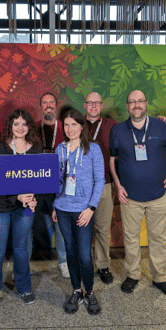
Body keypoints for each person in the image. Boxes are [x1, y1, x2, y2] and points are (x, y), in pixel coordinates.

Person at [109, 90, 166, 298]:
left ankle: (160, 277)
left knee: (157, 239)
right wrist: (118, 186)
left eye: (140, 101)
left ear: (146, 104)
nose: (136, 105)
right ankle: (133, 275)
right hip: (130, 198)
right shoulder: (118, 130)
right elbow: (112, 161)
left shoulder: (162, 126)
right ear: (127, 106)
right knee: (131, 238)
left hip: (158, 197)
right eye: (132, 101)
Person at [0, 109, 42, 315]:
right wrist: (18, 197)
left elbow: (40, 179)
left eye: (24, 124)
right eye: (16, 123)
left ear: (29, 128)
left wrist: (33, 198)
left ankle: (24, 289)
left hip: (24, 207)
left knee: (21, 248)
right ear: (10, 126)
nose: (20, 128)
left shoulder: (36, 149)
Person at [52, 109, 105, 314]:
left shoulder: (93, 149)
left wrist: (91, 208)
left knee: (84, 255)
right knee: (71, 252)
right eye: (66, 125)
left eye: (74, 124)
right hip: (63, 209)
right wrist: (56, 205)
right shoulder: (60, 149)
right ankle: (76, 291)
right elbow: (56, 181)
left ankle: (89, 292)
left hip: (84, 210)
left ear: (82, 126)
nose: (70, 129)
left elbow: (99, 180)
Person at [83, 92, 117, 284]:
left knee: (103, 228)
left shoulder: (112, 125)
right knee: (83, 227)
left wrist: (161, 120)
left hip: (104, 184)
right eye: (90, 103)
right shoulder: (77, 124)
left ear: (102, 105)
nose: (93, 106)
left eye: (97, 103)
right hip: (81, 185)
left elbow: (135, 126)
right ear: (85, 105)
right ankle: (84, 263)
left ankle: (103, 265)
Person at [35, 92, 69, 278]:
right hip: (35, 184)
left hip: (58, 185)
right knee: (26, 221)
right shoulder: (31, 128)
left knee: (61, 224)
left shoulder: (66, 128)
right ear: (40, 106)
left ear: (56, 106)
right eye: (44, 102)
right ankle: (22, 263)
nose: (48, 105)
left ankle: (63, 261)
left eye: (51, 102)